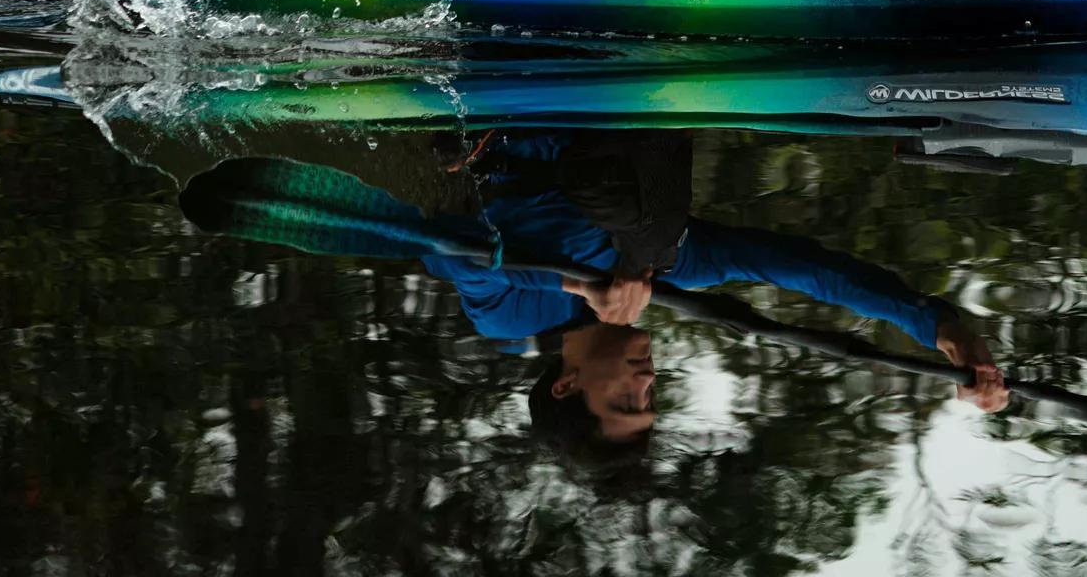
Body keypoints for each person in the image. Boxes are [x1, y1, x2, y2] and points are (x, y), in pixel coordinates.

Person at [414, 127, 1009, 465]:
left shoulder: (506, 317)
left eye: (627, 400)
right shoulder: (670, 274)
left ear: (567, 384)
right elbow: (798, 268)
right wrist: (937, 326)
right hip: (619, 108)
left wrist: (581, 284)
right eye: (653, 398)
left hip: (506, 111)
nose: (648, 380)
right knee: (653, 235)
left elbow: (446, 251)